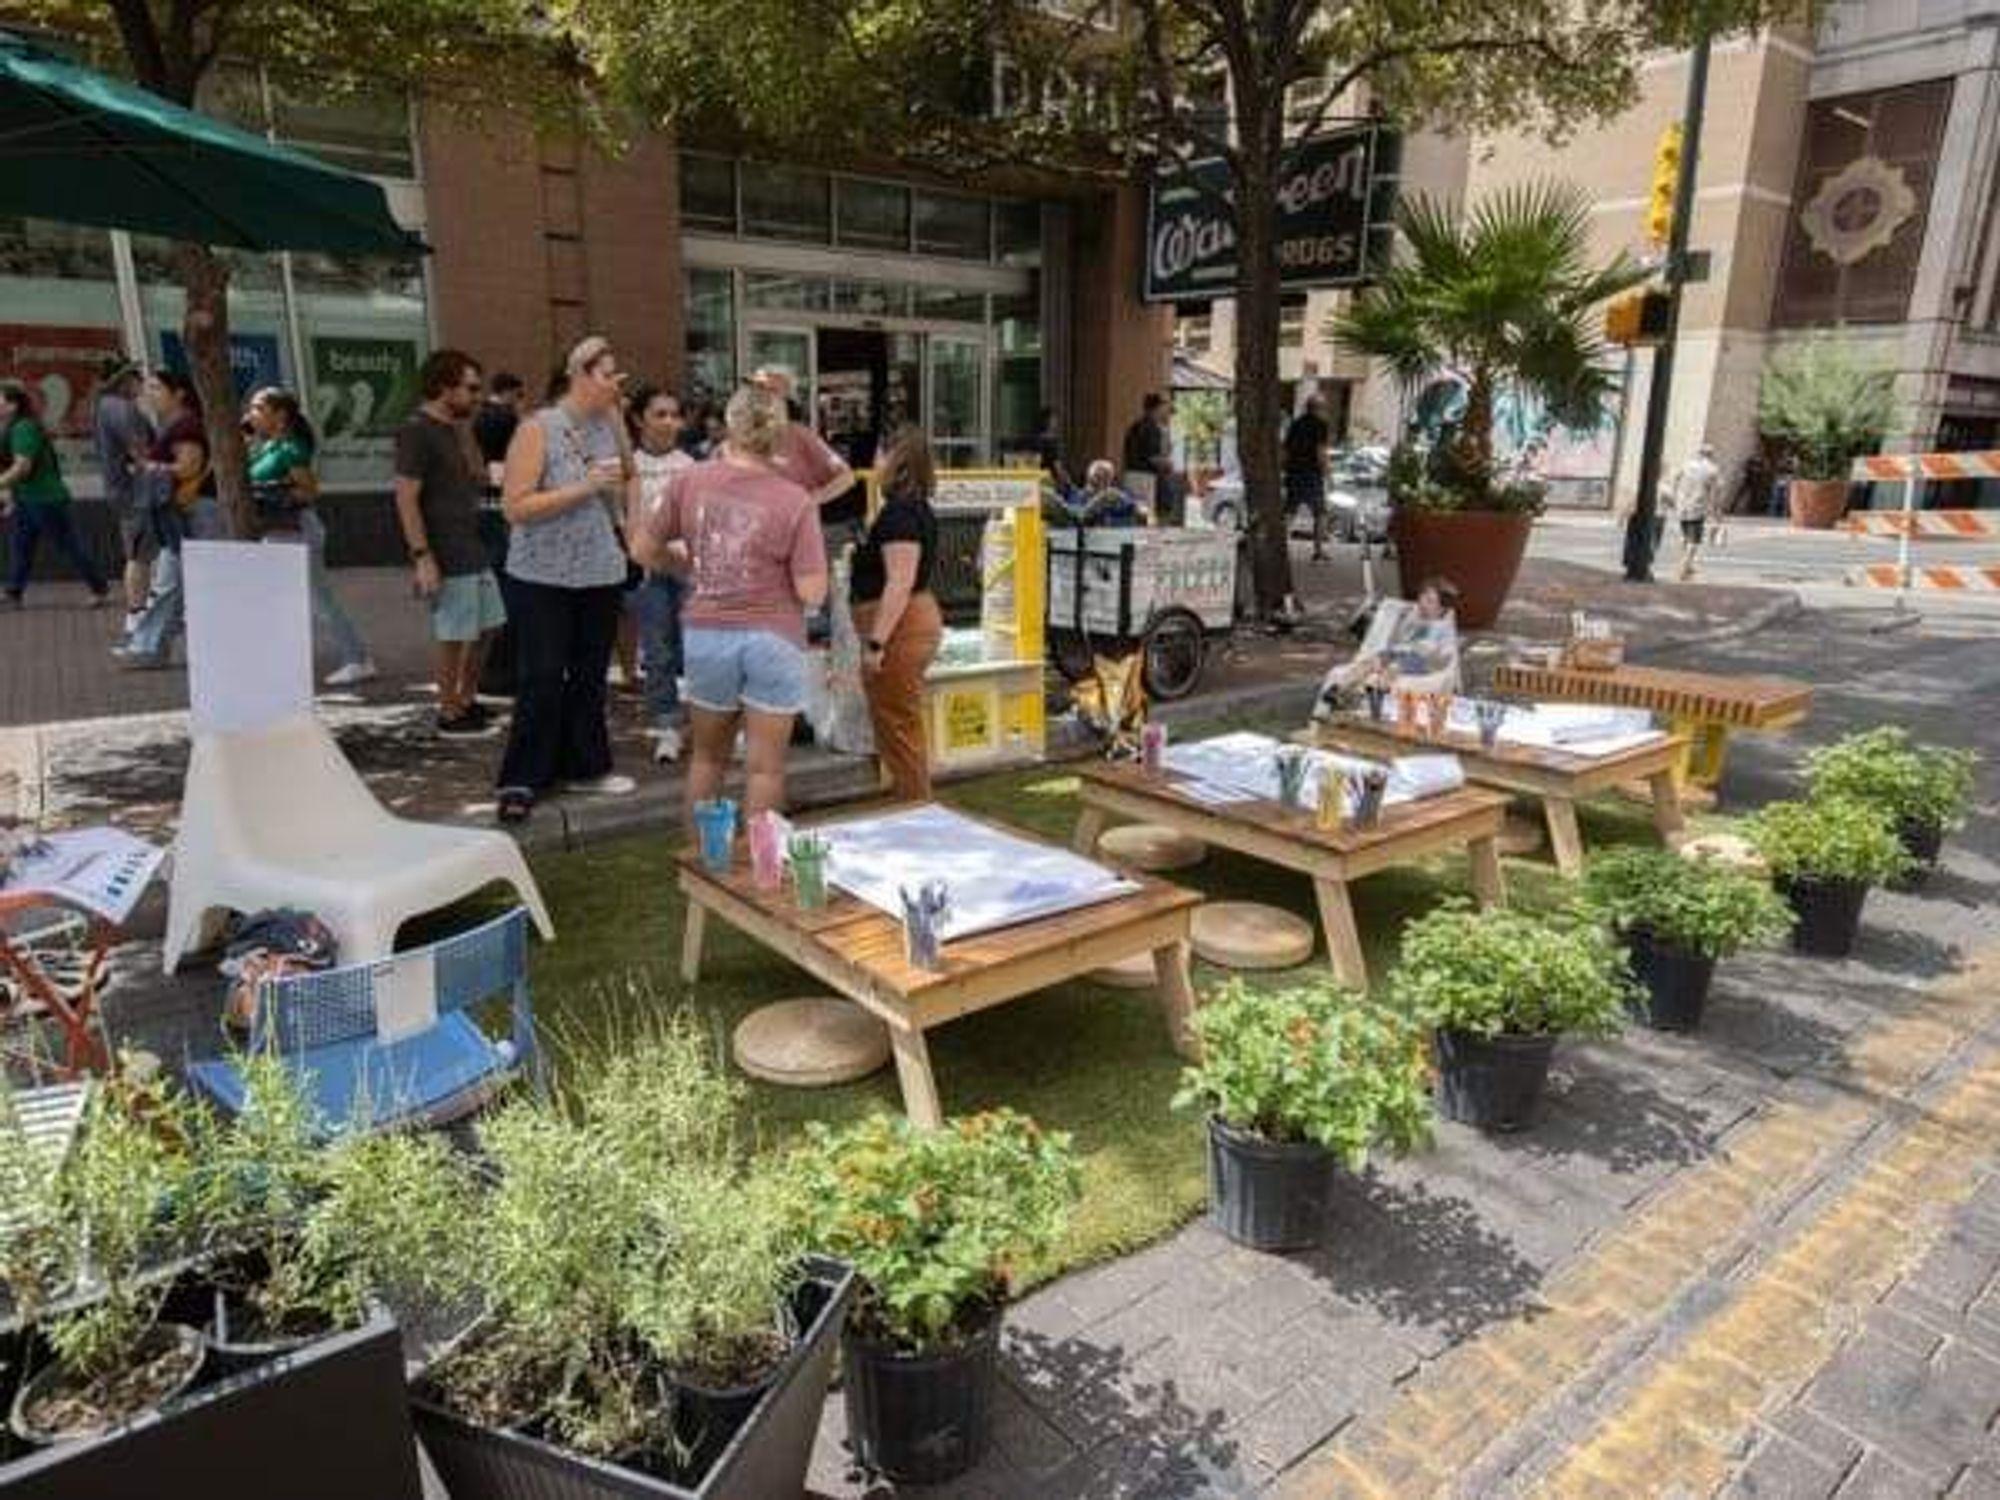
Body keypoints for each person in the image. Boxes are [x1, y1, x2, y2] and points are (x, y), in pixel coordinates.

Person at [635, 382, 827, 830]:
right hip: (774, 636)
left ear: (729, 425)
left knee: (707, 760)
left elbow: (643, 548)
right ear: (780, 433)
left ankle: (701, 859)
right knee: (765, 770)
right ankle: (760, 863)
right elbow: (813, 592)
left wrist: (687, 567)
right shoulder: (795, 500)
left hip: (707, 632)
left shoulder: (689, 480)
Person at [492, 335, 639, 825]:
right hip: (542, 574)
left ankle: (585, 765)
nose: (616, 382)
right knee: (542, 674)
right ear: (577, 374)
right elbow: (516, 507)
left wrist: (615, 413)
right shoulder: (537, 428)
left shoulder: (606, 422)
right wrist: (583, 488)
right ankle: (522, 777)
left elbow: (630, 472)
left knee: (590, 673)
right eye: (607, 374)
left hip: (599, 570)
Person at [395, 350, 505, 736]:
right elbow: (406, 497)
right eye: (471, 389)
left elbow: (472, 476)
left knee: (489, 626)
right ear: (445, 387)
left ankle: (465, 699)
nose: (478, 397)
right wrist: (423, 556)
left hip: (471, 545)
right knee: (454, 634)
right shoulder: (416, 430)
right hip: (447, 550)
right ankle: (449, 710)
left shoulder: (452, 429)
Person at [244, 387, 375, 685]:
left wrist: (272, 493)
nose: (251, 414)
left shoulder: (291, 449)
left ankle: (357, 658)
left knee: (320, 600)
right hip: (275, 532)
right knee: (278, 600)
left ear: (280, 415)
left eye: (258, 408)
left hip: (296, 531)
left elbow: (310, 491)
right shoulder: (268, 446)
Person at [852, 425, 943, 801]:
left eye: (879, 454)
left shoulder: (900, 513)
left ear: (895, 459)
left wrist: (877, 643)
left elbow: (899, 582)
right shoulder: (911, 508)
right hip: (907, 622)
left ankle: (917, 807)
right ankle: (909, 802)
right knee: (896, 725)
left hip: (900, 628)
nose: (874, 462)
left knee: (899, 727)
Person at [117, 369, 220, 667]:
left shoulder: (186, 425)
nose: (149, 394)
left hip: (193, 511)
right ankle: (152, 646)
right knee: (171, 581)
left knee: (172, 581)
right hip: (184, 511)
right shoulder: (175, 425)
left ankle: (150, 647)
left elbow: (189, 467)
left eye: (156, 388)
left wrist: (149, 467)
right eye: (148, 388)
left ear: (179, 394)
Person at [626, 384, 693, 764]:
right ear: (640, 419)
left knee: (696, 647)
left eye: (674, 415)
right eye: (660, 414)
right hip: (648, 569)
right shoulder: (629, 466)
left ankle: (706, 723)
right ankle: (668, 726)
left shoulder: (691, 465)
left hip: (687, 567)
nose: (669, 422)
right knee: (657, 650)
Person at [0, 381, 109, 608]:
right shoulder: (11, 426)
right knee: (21, 545)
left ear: (12, 405)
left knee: (68, 545)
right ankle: (13, 593)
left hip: (45, 498)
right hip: (26, 498)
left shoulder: (23, 427)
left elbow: (23, 466)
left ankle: (99, 587)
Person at [1311, 577, 1461, 716]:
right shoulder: (1415, 616)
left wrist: (1433, 659)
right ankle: (1338, 689)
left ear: (1441, 608)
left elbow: (1439, 654)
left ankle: (1370, 695)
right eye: (1422, 597)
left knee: (1392, 669)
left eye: (1430, 601)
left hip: (1418, 659)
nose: (1422, 603)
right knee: (1370, 662)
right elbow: (1398, 635)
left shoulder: (1441, 626)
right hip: (1397, 652)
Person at [92, 359, 155, 629]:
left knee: (140, 551)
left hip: (122, 489)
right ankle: (137, 614)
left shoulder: (105, 406)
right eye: (137, 377)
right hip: (135, 491)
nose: (142, 382)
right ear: (125, 381)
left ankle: (142, 608)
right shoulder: (122, 408)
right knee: (139, 553)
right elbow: (139, 451)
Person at [1284, 394, 1333, 561]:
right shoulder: (1321, 425)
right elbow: (1320, 451)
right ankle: (1318, 550)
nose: (1325, 411)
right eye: (1324, 407)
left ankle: (1280, 547)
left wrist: (1285, 469)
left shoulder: (1295, 424)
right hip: (1311, 474)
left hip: (1294, 473)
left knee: (1290, 511)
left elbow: (1285, 450)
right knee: (1320, 513)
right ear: (1318, 408)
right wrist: (1327, 473)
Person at [1121, 392, 1180, 525]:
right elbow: (1153, 458)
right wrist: (1169, 463)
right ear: (1158, 407)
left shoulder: (1137, 425)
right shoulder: (1151, 427)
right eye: (1166, 404)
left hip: (1133, 475)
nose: (1168, 409)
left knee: (1139, 517)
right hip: (1146, 479)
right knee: (1150, 518)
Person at [1669, 443, 1723, 581]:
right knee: (1693, 541)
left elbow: (1674, 478)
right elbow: (1716, 492)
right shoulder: (1713, 470)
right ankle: (1683, 569)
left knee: (1685, 537)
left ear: (1699, 453)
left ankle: (1688, 567)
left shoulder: (1686, 465)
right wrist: (1716, 513)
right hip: (1697, 507)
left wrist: (1675, 496)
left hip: (1682, 505)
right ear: (1711, 455)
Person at [472, 372, 524, 476]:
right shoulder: (508, 417)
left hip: (489, 467)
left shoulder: (481, 414)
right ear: (507, 392)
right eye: (517, 394)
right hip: (508, 469)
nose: (517, 399)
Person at [1070, 459, 1146, 527]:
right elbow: (1077, 517)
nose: (1101, 481)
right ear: (1088, 478)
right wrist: (1097, 501)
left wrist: (1123, 498)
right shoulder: (1077, 496)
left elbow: (1141, 510)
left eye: (1106, 476)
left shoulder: (1118, 494)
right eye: (1097, 477)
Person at [1033, 406, 1074, 495]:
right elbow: (1057, 465)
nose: (1056, 422)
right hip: (1051, 481)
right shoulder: (1050, 441)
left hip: (1040, 480)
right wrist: (1068, 481)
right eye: (1054, 419)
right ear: (1048, 421)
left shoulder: (1037, 439)